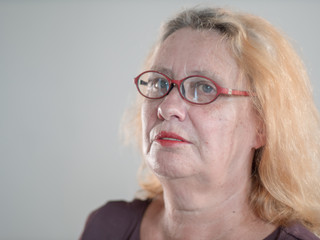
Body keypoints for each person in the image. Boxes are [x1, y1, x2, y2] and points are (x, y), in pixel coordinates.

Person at [80, 7, 320, 240]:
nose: (167, 107)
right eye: (159, 83)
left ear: (262, 127)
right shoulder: (106, 226)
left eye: (205, 88)